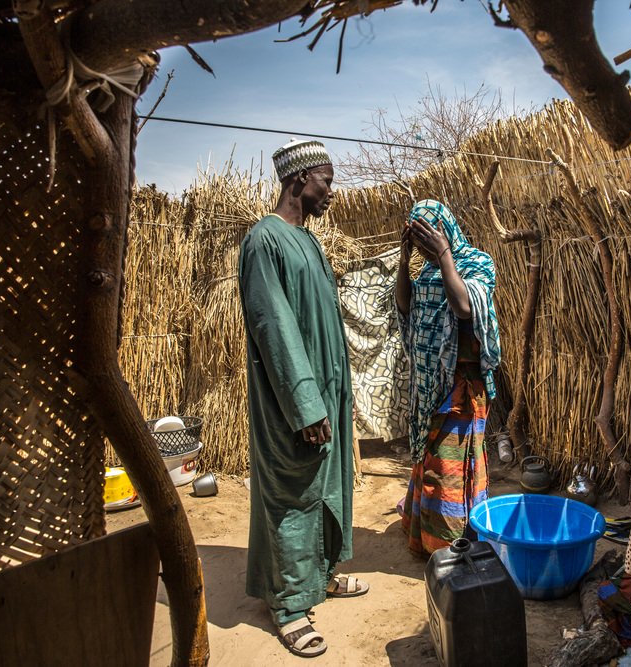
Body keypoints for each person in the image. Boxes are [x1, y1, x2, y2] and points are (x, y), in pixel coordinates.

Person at [238, 139, 368, 659]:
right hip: (293, 403)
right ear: (298, 180)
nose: (331, 192)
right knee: (292, 495)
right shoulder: (264, 240)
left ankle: (321, 576)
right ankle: (289, 605)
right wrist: (305, 405)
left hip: (324, 394)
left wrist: (332, 397)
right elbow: (274, 327)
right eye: (326, 181)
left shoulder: (308, 242)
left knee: (327, 487)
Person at [395, 199, 501, 556]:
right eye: (419, 245)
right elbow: (405, 307)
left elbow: (465, 307)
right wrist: (404, 260)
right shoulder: (428, 272)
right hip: (430, 386)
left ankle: (450, 542)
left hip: (462, 388)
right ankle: (425, 536)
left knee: (450, 464)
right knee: (430, 461)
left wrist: (443, 256)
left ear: (445, 232)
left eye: (429, 241)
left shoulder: (477, 263)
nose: (425, 251)